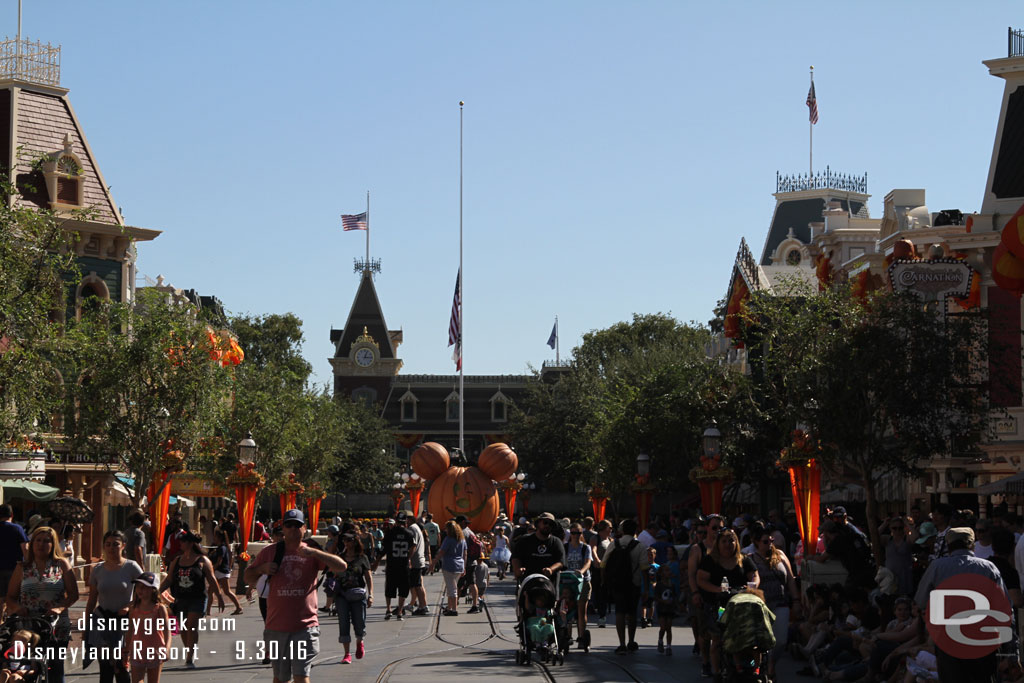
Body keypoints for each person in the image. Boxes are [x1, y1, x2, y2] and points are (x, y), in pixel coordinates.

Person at [245, 508, 346, 683]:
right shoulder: (270, 552)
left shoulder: (311, 552)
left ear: (304, 528)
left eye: (297, 525)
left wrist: (316, 553)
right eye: (289, 525)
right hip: (276, 627)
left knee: (301, 675)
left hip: (305, 627)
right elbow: (247, 576)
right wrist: (262, 569)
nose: (293, 528)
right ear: (282, 528)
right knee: (281, 678)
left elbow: (342, 566)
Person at [915, 526, 1007, 682]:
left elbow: (920, 601)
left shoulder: (937, 566)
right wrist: (1011, 651)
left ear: (949, 546)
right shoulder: (989, 568)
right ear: (972, 545)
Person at [5, 526, 78, 683]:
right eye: (38, 540)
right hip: (28, 627)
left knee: (54, 668)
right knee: (28, 667)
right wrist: (17, 608)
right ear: (32, 544)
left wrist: (60, 607)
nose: (41, 544)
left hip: (55, 626)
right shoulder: (22, 567)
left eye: (47, 541)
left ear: (53, 544)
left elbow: (74, 594)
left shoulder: (61, 564)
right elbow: (10, 597)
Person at [696, 528, 758, 680]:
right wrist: (716, 589)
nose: (728, 544)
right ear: (718, 543)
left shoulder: (743, 559)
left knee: (750, 637)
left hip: (741, 605)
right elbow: (701, 579)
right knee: (717, 639)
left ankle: (751, 668)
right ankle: (716, 672)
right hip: (718, 605)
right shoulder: (710, 560)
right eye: (724, 541)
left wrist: (751, 587)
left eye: (731, 540)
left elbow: (754, 576)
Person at [158, 530, 223, 668]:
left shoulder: (202, 560)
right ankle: (189, 649)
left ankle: (189, 657)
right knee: (183, 628)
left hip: (197, 598)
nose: (180, 543)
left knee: (191, 626)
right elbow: (169, 579)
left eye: (183, 541)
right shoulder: (177, 560)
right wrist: (158, 591)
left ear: (191, 543)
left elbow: (212, 579)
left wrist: (219, 597)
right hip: (180, 598)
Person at [85, 530, 143, 683]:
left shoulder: (132, 567)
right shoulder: (97, 570)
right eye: (108, 544)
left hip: (123, 622)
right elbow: (91, 600)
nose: (111, 548)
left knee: (120, 665)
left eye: (115, 544)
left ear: (123, 546)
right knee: (105, 666)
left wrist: (130, 606)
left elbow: (146, 593)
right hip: (102, 620)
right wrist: (86, 627)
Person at [748, 526, 799, 680]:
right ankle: (763, 668)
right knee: (761, 641)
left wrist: (796, 600)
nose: (769, 544)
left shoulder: (781, 555)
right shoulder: (749, 558)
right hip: (761, 605)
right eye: (765, 541)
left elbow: (790, 579)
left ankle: (771, 663)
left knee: (781, 640)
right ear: (756, 542)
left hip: (781, 602)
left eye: (771, 540)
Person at [602, 518, 649, 655]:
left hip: (617, 583)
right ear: (635, 530)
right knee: (632, 613)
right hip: (634, 583)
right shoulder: (639, 546)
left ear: (622, 530)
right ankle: (631, 641)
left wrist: (604, 582)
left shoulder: (614, 544)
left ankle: (621, 643)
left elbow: (603, 564)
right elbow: (644, 568)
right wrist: (646, 588)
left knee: (619, 612)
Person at [122, 572, 170, 683]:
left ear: (153, 589)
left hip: (155, 651)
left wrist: (167, 648)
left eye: (144, 587)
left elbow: (167, 630)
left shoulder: (159, 608)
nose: (140, 590)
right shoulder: (134, 608)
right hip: (137, 651)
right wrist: (126, 649)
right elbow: (130, 630)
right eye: (138, 587)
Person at [334, 533, 373, 664]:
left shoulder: (362, 558)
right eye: (344, 540)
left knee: (359, 622)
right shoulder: (339, 558)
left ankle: (359, 642)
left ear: (355, 542)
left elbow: (368, 577)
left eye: (349, 540)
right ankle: (346, 654)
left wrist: (370, 595)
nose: (346, 543)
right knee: (343, 623)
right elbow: (333, 573)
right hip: (342, 595)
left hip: (358, 595)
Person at [511, 512, 565, 581]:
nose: (547, 525)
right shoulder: (524, 540)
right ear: (538, 523)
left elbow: (561, 562)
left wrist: (551, 569)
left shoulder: (556, 542)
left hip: (549, 583)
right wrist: (517, 570)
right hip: (528, 581)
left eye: (550, 524)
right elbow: (516, 557)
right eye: (545, 522)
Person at [381, 513, 414, 620]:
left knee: (389, 587)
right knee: (403, 588)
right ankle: (399, 611)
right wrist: (409, 558)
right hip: (403, 564)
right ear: (405, 522)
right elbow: (413, 546)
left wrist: (377, 561)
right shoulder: (409, 533)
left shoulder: (390, 533)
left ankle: (388, 609)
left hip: (392, 564)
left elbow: (384, 548)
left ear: (396, 521)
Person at [564, 522, 592, 648]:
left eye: (578, 533)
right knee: (568, 609)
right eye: (573, 533)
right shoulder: (565, 547)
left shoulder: (585, 548)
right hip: (568, 581)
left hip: (583, 581)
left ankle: (581, 637)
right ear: (570, 533)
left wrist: (581, 571)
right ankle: (567, 636)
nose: (575, 535)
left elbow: (588, 562)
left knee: (581, 610)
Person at [434, 521, 466, 616]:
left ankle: (454, 609)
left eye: (446, 528)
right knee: (452, 587)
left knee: (452, 589)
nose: (445, 530)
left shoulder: (448, 539)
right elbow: (465, 553)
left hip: (449, 565)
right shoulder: (462, 540)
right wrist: (464, 567)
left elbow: (442, 552)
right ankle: (450, 607)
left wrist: (433, 563)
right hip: (459, 565)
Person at [0, 505, 27, 617]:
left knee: (1, 598)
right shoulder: (17, 528)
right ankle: (10, 623)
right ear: (11, 515)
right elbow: (25, 548)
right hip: (15, 569)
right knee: (13, 597)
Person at [210, 528, 243, 615]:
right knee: (211, 590)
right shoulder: (222, 547)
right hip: (221, 571)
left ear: (219, 537)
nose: (214, 538)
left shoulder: (222, 548)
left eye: (215, 536)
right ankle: (207, 611)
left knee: (226, 591)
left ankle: (239, 607)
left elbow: (219, 562)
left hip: (221, 572)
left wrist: (212, 569)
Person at [456, 516, 483, 613]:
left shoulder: (462, 533)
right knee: (472, 583)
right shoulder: (470, 532)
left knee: (458, 584)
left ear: (462, 522)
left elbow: (462, 550)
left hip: (465, 562)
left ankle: (454, 605)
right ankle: (475, 605)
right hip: (473, 562)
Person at [590, 519, 613, 627]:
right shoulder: (596, 538)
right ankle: (600, 613)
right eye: (610, 528)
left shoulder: (610, 540)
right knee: (598, 591)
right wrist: (597, 559)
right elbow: (593, 549)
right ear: (604, 528)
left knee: (604, 592)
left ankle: (602, 614)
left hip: (608, 569)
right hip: (598, 569)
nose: (611, 530)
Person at [406, 513, 430, 615]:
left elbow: (413, 545)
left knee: (417, 585)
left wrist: (409, 558)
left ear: (410, 519)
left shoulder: (412, 528)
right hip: (419, 560)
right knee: (418, 584)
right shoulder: (416, 527)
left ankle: (423, 606)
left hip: (415, 561)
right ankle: (422, 605)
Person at [654, 563, 677, 655]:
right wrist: (663, 602)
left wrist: (677, 604)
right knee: (663, 627)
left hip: (670, 609)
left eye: (669, 570)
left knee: (669, 627)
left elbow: (674, 596)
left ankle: (669, 646)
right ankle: (660, 641)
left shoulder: (672, 585)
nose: (669, 572)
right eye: (666, 570)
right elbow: (656, 597)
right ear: (662, 573)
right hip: (661, 608)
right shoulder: (659, 585)